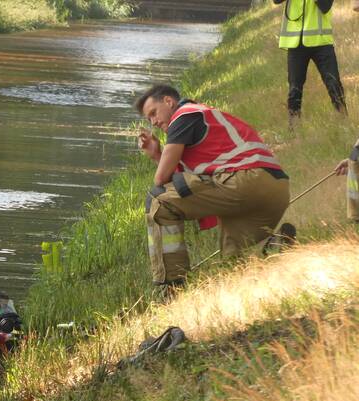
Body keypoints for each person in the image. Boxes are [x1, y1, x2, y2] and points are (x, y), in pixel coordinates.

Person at [135, 84, 291, 289]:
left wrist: (157, 156)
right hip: (277, 190)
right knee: (232, 262)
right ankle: (275, 248)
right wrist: (157, 153)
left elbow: (161, 179)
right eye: (149, 120)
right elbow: (180, 179)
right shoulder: (202, 114)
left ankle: (172, 286)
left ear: (168, 101)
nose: (154, 122)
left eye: (153, 113)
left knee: (158, 201)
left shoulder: (183, 117)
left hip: (246, 183)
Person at [274, 0, 346, 123]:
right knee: (294, 89)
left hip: (321, 42)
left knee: (333, 83)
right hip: (296, 43)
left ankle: (344, 121)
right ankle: (294, 129)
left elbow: (325, 6)